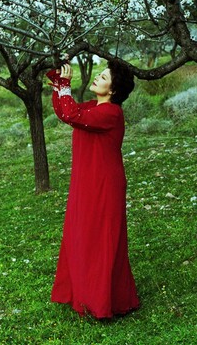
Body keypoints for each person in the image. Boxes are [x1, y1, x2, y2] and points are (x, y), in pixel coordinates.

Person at [47, 59, 140, 319]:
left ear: (112, 89)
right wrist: (58, 83)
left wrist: (65, 85)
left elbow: (70, 114)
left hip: (103, 184)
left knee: (100, 240)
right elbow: (65, 111)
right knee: (82, 235)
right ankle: (85, 295)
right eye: (99, 74)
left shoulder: (111, 113)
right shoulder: (93, 107)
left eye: (103, 77)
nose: (97, 78)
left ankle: (102, 301)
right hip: (87, 181)